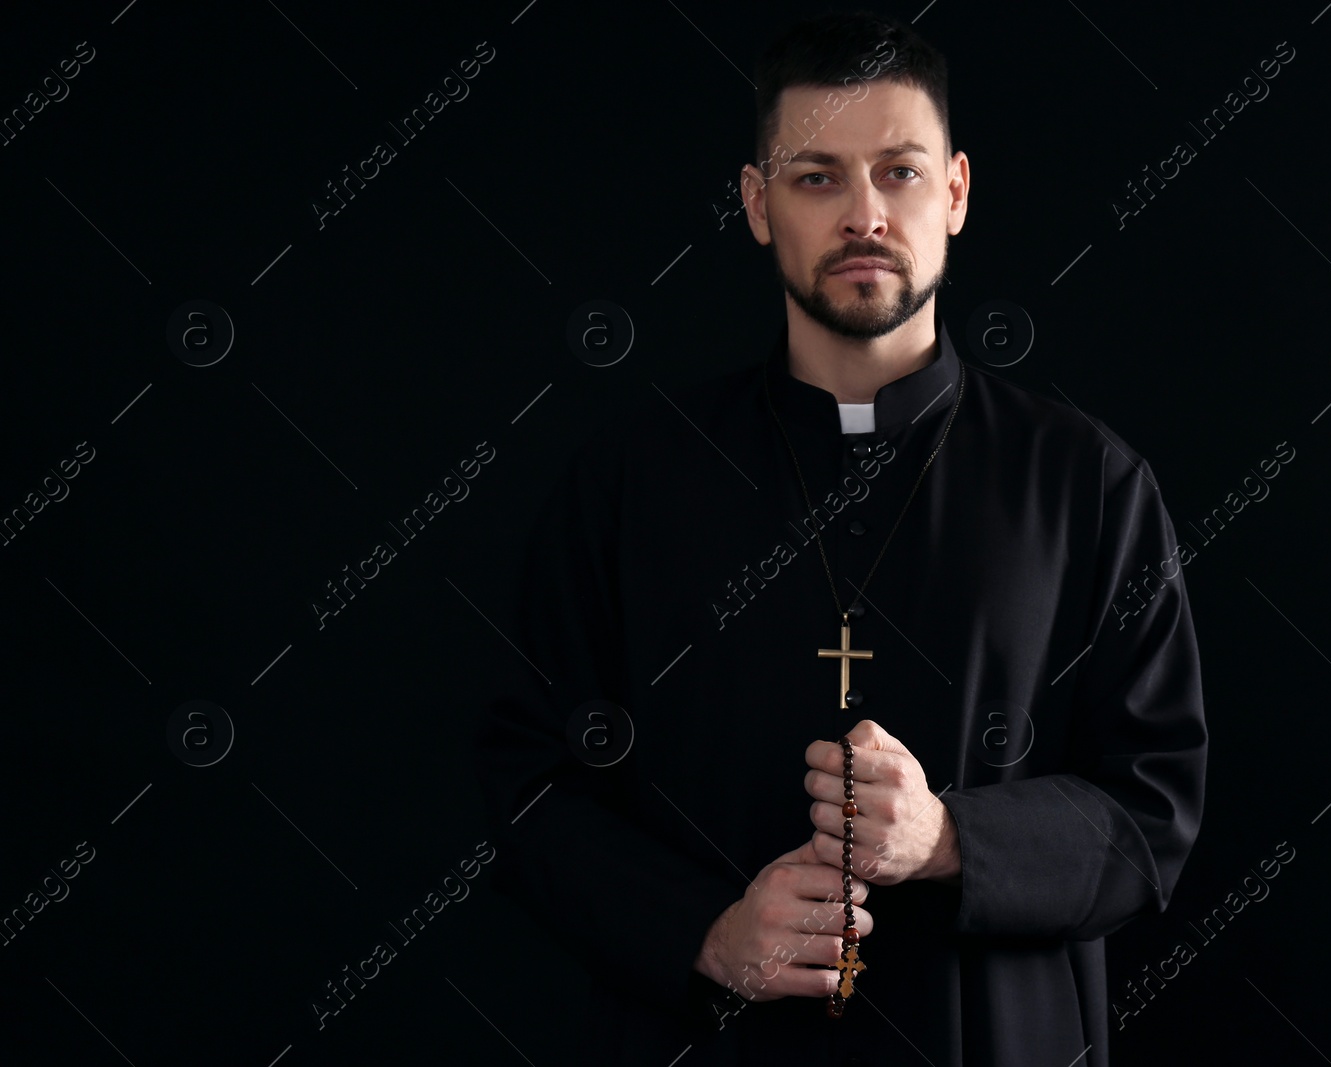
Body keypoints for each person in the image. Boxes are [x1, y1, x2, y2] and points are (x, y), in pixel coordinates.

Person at [471, 11, 1207, 1066]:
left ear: (953, 191)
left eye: (898, 172)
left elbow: (1154, 811)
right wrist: (709, 932)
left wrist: (950, 839)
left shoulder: (1086, 480)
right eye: (816, 177)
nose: (865, 213)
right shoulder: (632, 480)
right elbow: (528, 780)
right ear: (756, 203)